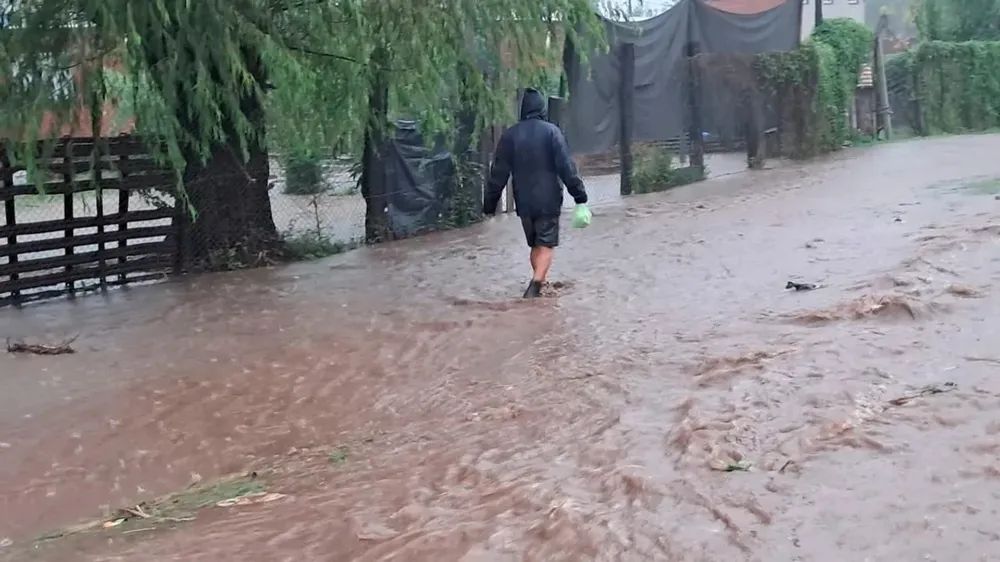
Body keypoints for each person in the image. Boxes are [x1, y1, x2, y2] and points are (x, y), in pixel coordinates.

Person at [482, 88, 588, 299]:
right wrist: (580, 196)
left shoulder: (510, 136)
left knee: (535, 244)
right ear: (542, 109)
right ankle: (535, 285)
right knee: (546, 244)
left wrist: (489, 204)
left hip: (524, 203)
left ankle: (542, 283)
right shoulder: (552, 132)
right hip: (549, 200)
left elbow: (498, 173)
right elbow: (566, 167)